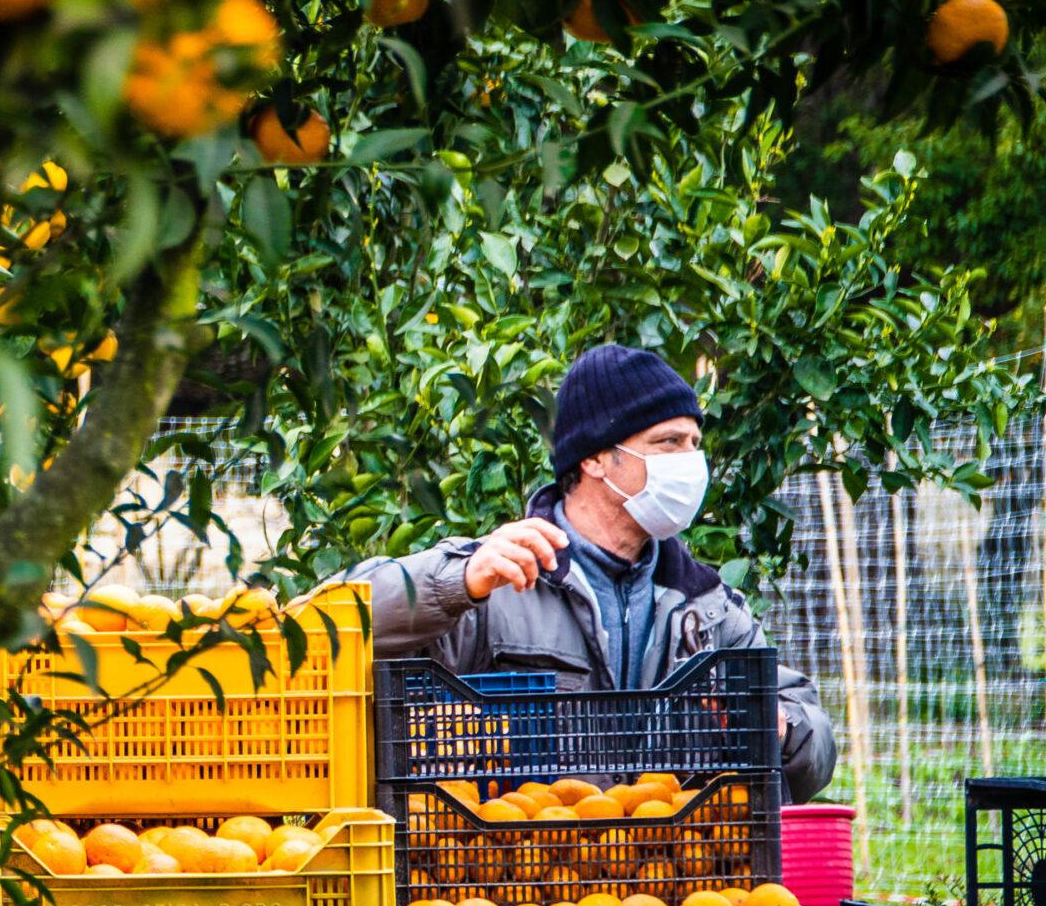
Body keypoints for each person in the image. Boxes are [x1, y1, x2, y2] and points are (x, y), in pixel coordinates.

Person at [358, 343, 836, 801]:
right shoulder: (500, 579)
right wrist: (455, 582)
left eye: (694, 443)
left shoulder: (709, 609)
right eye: (668, 442)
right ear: (594, 458)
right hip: (522, 874)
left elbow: (815, 749)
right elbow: (342, 622)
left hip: (672, 876)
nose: (691, 462)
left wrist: (780, 727)